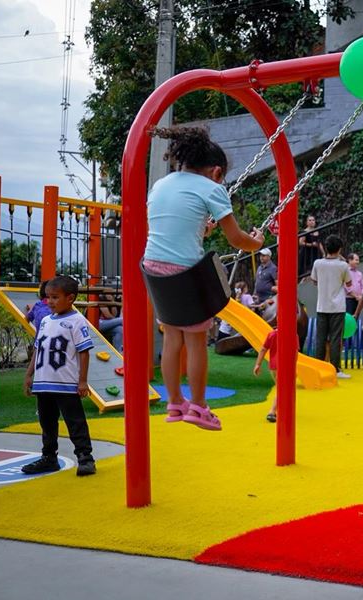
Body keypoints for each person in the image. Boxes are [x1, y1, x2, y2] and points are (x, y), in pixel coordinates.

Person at [143, 125, 264, 431]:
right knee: (196, 340)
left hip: (153, 267)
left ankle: (174, 404)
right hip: (186, 271)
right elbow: (237, 239)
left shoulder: (160, 184)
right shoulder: (212, 188)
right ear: (216, 171)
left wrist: (201, 227)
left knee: (172, 338)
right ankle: (198, 406)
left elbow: (174, 223)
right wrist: (257, 243)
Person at [21, 275, 96, 477]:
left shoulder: (77, 320)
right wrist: (29, 375)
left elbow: (84, 352)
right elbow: (38, 348)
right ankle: (49, 458)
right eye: (47, 297)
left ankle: (85, 458)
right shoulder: (45, 321)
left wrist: (82, 380)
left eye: (55, 297)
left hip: (65, 383)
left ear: (70, 298)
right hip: (43, 383)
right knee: (47, 422)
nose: (49, 302)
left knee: (75, 421)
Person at [310, 234, 351, 379]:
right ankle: (336, 369)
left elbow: (314, 281)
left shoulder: (317, 263)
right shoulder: (343, 265)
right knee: (335, 338)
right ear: (339, 249)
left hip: (322, 305)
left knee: (320, 338)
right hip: (338, 307)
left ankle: (318, 366)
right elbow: (349, 283)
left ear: (325, 248)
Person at [253, 327, 279, 422]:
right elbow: (295, 352)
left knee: (280, 387)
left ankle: (280, 408)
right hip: (284, 366)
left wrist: (258, 364)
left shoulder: (271, 334)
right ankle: (272, 412)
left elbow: (263, 349)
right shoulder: (292, 335)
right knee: (282, 389)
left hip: (273, 366)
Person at [344, 253, 363, 317]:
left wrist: (361, 296)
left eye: (358, 260)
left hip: (358, 300)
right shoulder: (345, 271)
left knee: (356, 318)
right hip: (349, 300)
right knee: (348, 318)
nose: (358, 262)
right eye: (356, 260)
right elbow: (346, 287)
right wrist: (356, 296)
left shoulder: (359, 273)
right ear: (350, 260)